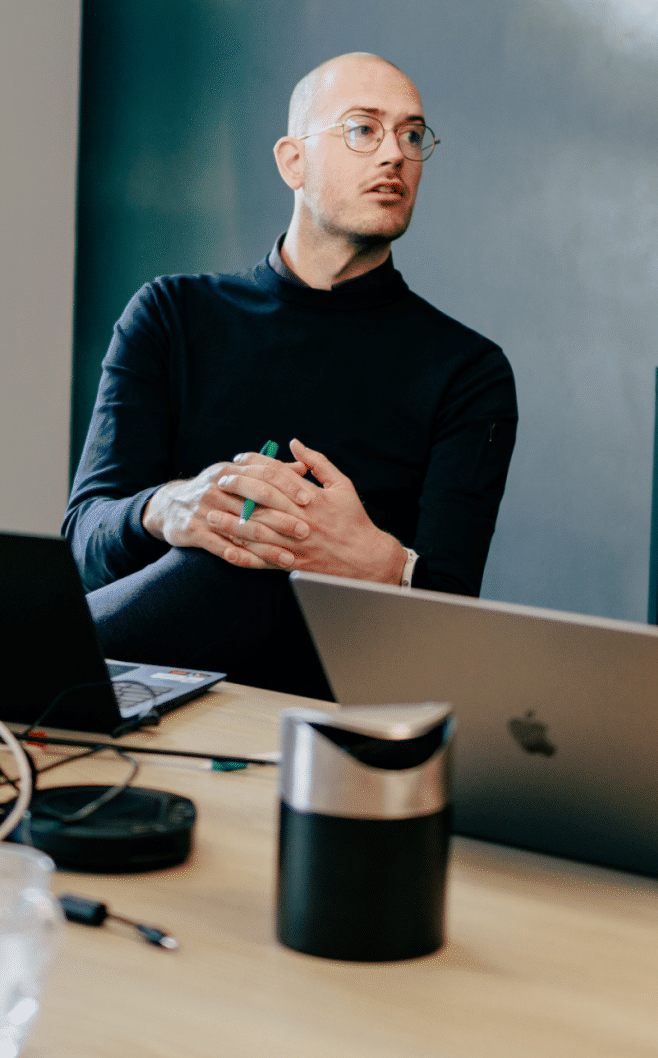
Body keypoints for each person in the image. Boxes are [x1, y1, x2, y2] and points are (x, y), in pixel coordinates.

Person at [65, 52, 517, 694]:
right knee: (234, 555)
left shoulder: (469, 371)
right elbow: (83, 545)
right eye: (363, 129)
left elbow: (449, 612)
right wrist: (170, 508)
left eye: (412, 135)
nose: (395, 155)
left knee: (261, 560)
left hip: (330, 713)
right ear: (292, 161)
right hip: (150, 696)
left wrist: (380, 564)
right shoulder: (170, 314)